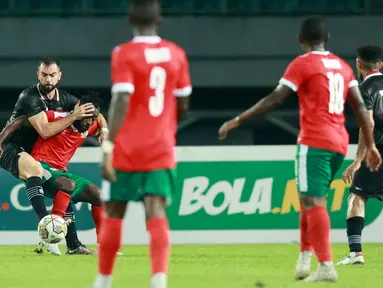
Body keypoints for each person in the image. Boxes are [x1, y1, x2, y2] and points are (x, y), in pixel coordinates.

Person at [218, 17, 381, 282]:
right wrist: (371, 146)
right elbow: (360, 108)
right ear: (326, 38)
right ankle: (304, 260)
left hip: (315, 141)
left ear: (300, 39)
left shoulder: (303, 63)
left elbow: (275, 99)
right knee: (310, 199)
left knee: (313, 202)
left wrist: (239, 119)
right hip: (339, 143)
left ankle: (326, 264)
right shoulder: (342, 66)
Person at [91, 0, 191, 287]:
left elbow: (121, 99)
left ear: (129, 19)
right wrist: (165, 126)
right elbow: (183, 102)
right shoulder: (176, 53)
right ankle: (159, 281)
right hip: (160, 146)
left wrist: (108, 146)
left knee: (113, 211)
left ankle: (103, 281)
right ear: (159, 19)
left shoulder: (123, 53)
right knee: (156, 209)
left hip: (127, 147)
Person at [0, 58, 107, 255]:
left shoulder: (65, 100)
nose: (48, 79)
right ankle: (46, 228)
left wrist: (104, 127)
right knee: (37, 170)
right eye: (44, 75)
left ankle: (74, 245)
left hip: (34, 154)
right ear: (38, 75)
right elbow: (37, 128)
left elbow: (93, 110)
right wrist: (1, 140)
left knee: (69, 189)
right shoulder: (30, 96)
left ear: (59, 76)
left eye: (52, 75)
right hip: (11, 147)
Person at [337, 45, 383, 265]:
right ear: (381, 64)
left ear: (358, 63)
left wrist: (358, 160)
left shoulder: (364, 88)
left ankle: (355, 253)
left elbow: (369, 123)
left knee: (357, 197)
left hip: (378, 151)